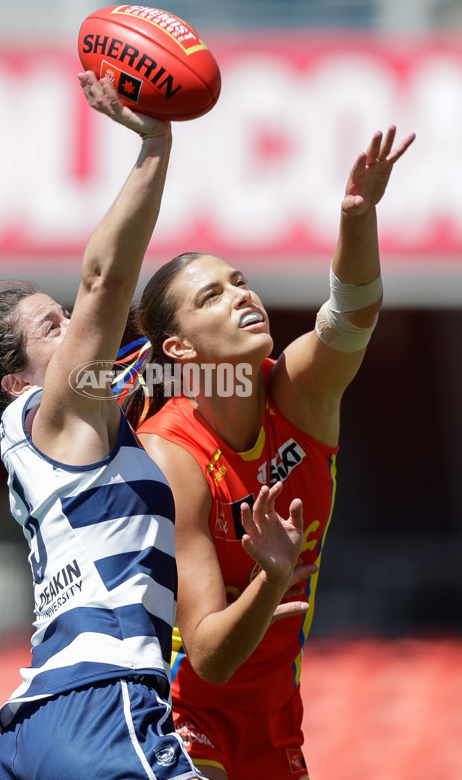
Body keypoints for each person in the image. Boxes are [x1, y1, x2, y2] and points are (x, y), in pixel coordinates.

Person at [0, 71, 215, 780]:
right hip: (103, 708)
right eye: (54, 325)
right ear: (17, 381)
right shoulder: (60, 409)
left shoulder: (62, 426)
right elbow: (106, 279)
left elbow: (136, 363)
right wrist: (155, 144)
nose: (76, 327)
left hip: (35, 728)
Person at [123, 126, 416, 780]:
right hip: (186, 708)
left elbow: (350, 314)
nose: (241, 297)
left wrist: (358, 219)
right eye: (212, 296)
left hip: (278, 709)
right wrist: (269, 578)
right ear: (178, 351)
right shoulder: (171, 453)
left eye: (239, 282)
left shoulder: (299, 391)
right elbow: (209, 656)